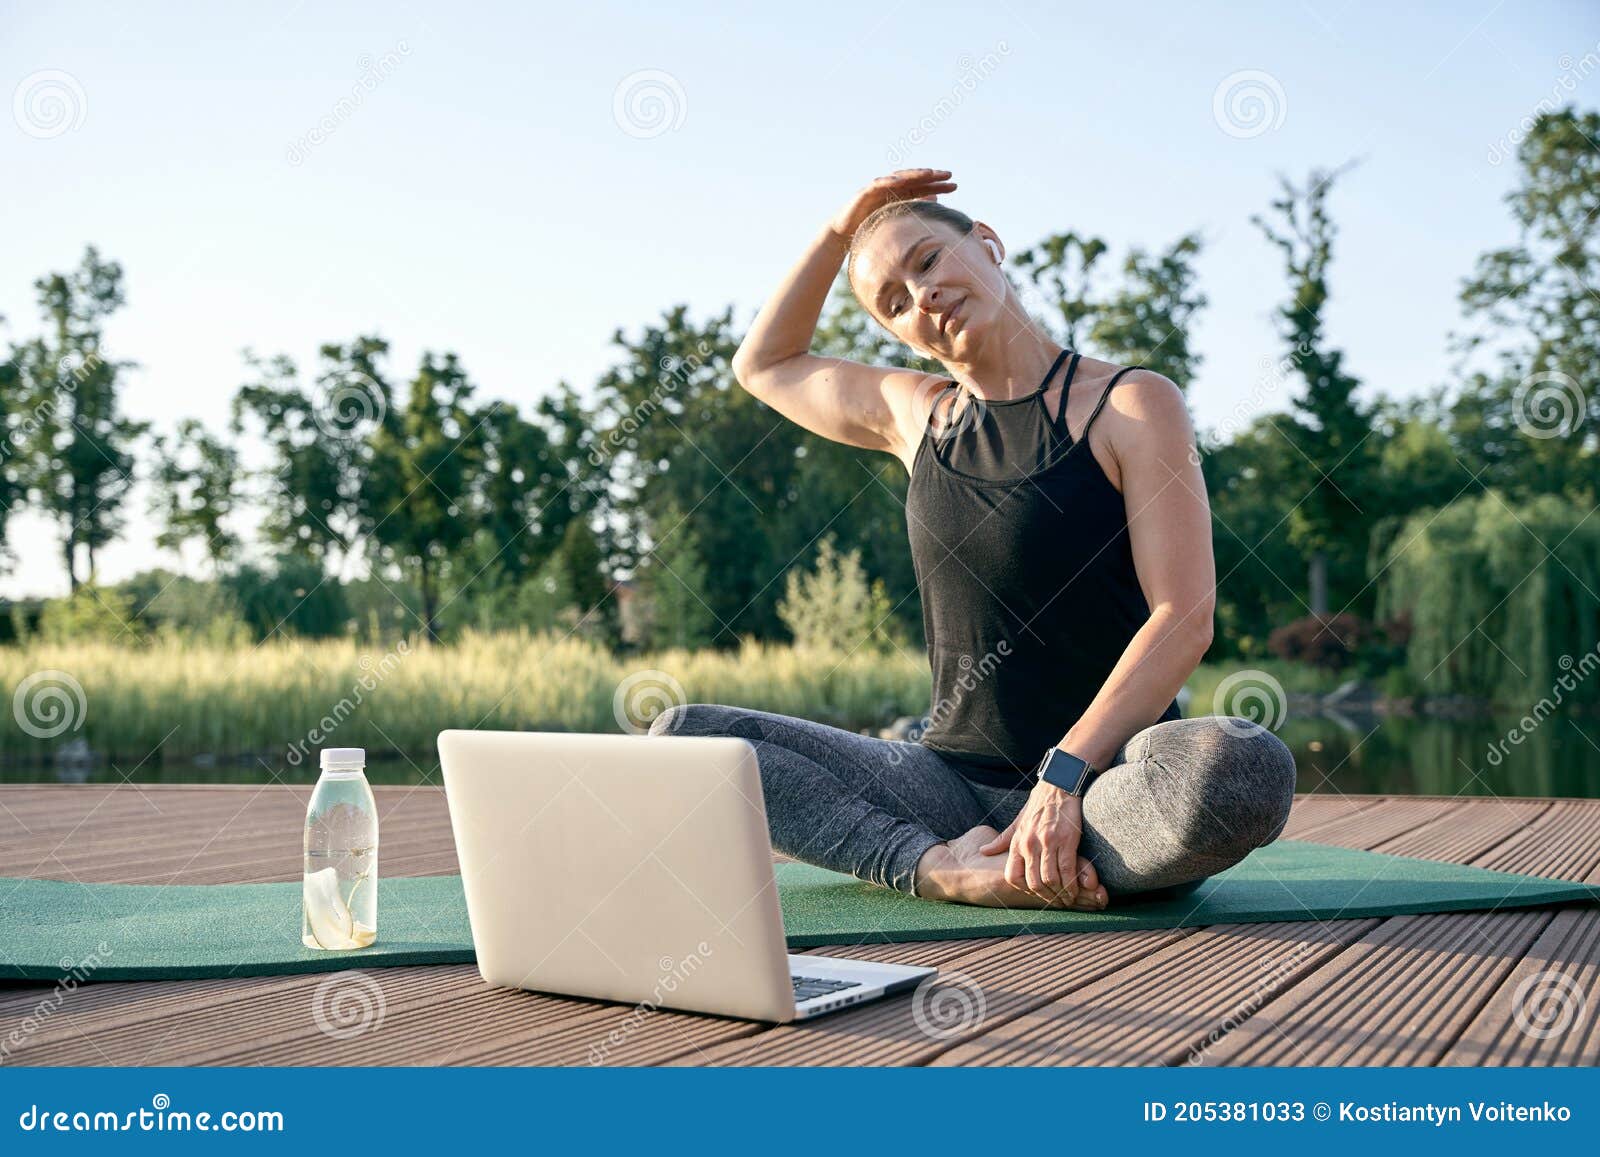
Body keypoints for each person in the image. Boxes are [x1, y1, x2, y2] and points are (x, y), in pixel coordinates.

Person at [648, 169, 1296, 911]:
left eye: (926, 261)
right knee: (688, 738)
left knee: (1241, 767)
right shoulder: (915, 415)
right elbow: (763, 365)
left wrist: (1063, 779)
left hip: (1110, 791)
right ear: (901, 337)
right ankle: (938, 868)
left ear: (987, 245)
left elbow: (1182, 616)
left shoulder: (1129, 404)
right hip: (950, 789)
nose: (920, 295)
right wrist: (837, 232)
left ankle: (1046, 855)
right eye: (894, 304)